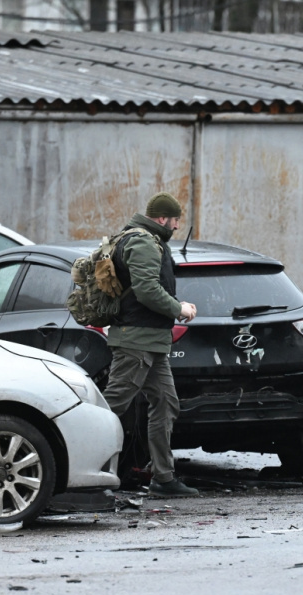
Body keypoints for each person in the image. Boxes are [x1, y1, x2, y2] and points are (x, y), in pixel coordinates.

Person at [103, 192, 199, 497]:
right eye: (175, 220)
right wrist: (178, 308)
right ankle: (77, 472)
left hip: (152, 341)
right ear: (162, 218)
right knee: (110, 407)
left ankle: (163, 478)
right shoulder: (143, 242)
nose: (177, 226)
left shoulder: (151, 241)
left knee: (166, 403)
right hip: (136, 341)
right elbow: (146, 289)